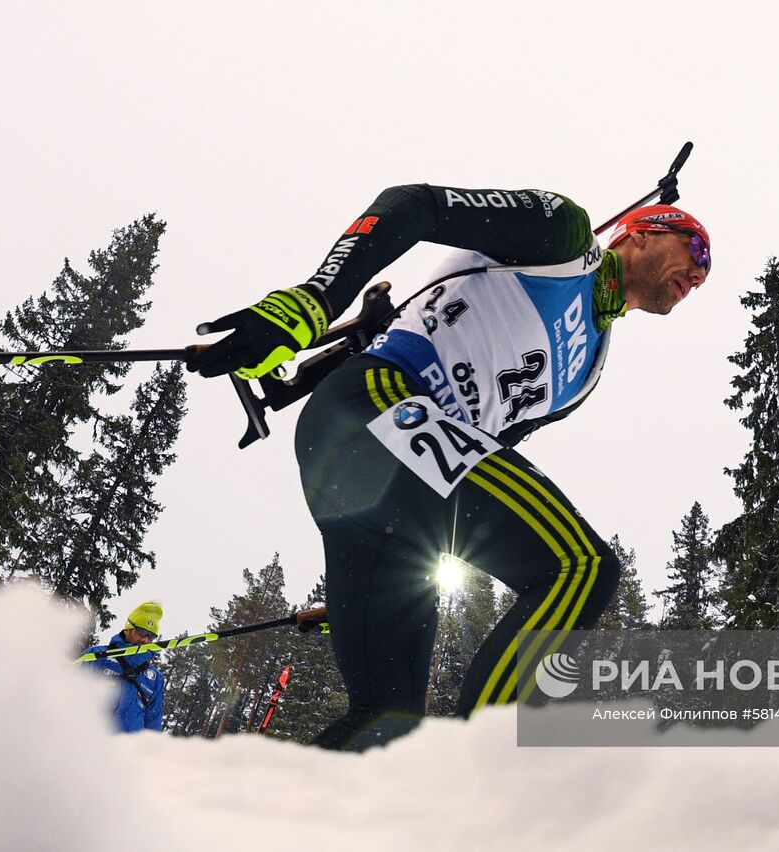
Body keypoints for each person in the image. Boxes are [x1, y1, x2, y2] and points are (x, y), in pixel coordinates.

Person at [188, 185, 710, 750]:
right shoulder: (564, 238)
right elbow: (413, 205)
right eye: (696, 250)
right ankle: (472, 779)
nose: (700, 276)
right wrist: (316, 299)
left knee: (389, 724)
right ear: (641, 230)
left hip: (388, 484)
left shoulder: (586, 371)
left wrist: (369, 596)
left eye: (707, 275)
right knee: (579, 566)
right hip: (374, 403)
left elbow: (480, 457)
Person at [81, 601, 166, 733]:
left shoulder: (155, 680)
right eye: (142, 632)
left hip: (124, 749)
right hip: (88, 740)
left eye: (151, 636)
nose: (145, 640)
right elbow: (69, 692)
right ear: (128, 629)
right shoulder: (96, 656)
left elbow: (153, 724)